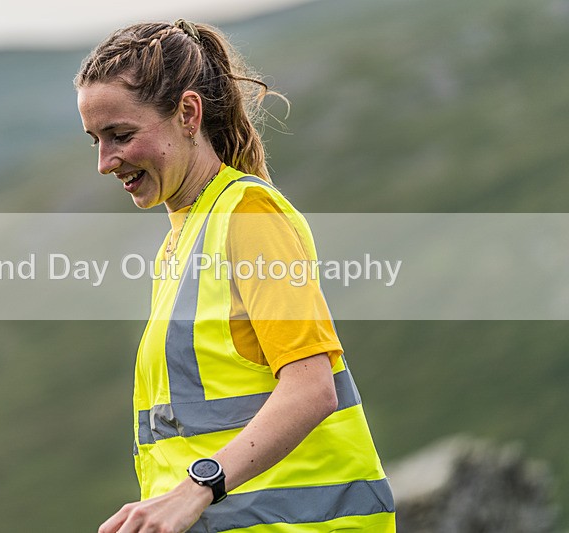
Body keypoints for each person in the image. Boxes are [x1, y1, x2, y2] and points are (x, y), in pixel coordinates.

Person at [75, 19, 395, 533]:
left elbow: (312, 388)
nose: (105, 161)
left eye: (121, 135)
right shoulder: (182, 241)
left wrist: (195, 488)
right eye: (95, 139)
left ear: (188, 114)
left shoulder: (248, 214)